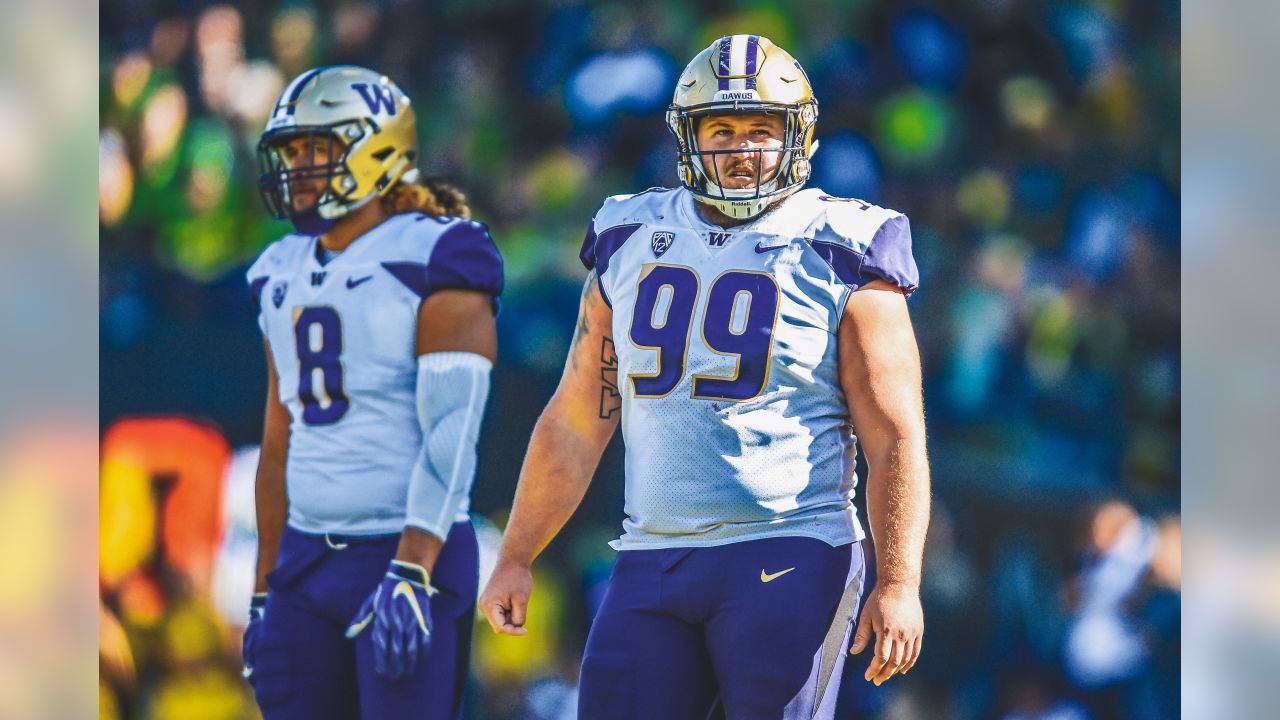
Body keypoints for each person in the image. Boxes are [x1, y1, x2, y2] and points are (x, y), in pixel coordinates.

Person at [479, 35, 930, 718]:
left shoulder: (844, 247)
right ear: (688, 138)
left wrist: (898, 579)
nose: (742, 148)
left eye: (761, 129)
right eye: (722, 129)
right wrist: (517, 551)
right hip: (651, 556)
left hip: (790, 550)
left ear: (796, 137)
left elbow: (894, 436)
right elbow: (578, 415)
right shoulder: (630, 237)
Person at [240, 65, 502, 720]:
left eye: (316, 149)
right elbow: (280, 442)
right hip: (304, 561)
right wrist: (264, 587)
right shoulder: (279, 271)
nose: (298, 167)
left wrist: (414, 567)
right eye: (292, 152)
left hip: (404, 552)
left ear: (375, 146)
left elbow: (452, 432)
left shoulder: (436, 254)